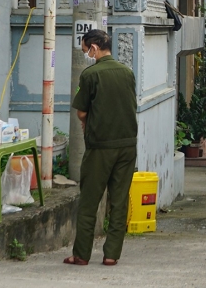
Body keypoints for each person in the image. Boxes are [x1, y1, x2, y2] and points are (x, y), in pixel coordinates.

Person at [64, 29, 138, 267]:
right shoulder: (127, 72)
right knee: (119, 201)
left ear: (94, 48)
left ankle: (82, 254)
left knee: (89, 200)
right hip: (127, 144)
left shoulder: (90, 75)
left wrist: (86, 124)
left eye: (86, 51)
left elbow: (82, 111)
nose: (87, 54)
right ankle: (111, 255)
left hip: (100, 146)